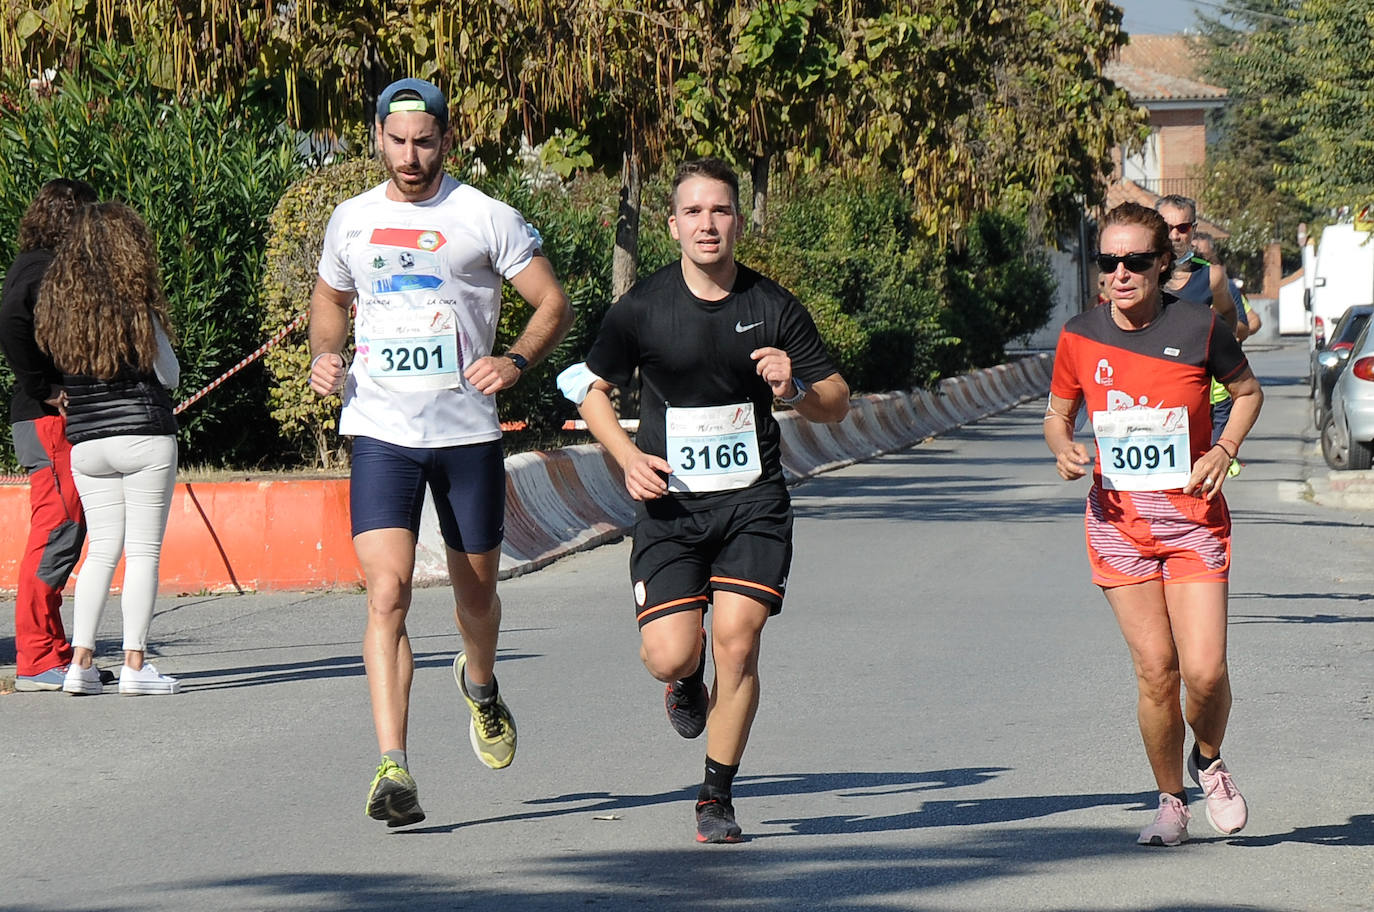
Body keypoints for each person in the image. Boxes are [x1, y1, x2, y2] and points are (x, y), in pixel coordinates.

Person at [559, 158, 850, 844]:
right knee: (668, 653)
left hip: (753, 503)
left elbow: (838, 402)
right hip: (671, 507)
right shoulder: (643, 308)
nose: (707, 224)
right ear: (673, 226)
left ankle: (715, 797)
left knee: (739, 642)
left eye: (720, 210)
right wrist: (626, 457)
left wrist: (795, 390)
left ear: (738, 222)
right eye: (693, 212)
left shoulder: (771, 306)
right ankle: (684, 680)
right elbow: (589, 390)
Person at [308, 77, 572, 828]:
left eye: (425, 142)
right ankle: (393, 765)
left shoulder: (484, 216)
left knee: (475, 597)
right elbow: (330, 298)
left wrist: (515, 361)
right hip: (382, 432)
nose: (411, 156)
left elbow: (551, 302)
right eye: (398, 141)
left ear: (447, 140)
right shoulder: (351, 220)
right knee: (386, 593)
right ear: (378, 141)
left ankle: (480, 686)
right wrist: (327, 356)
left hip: (465, 436)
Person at [1043, 202, 1263, 847]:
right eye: (1108, 262)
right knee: (1156, 672)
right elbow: (1058, 414)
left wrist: (1224, 450)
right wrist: (1062, 445)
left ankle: (1209, 758)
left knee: (1204, 671)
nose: (1120, 273)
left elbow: (1247, 393)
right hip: (1119, 524)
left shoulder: (1201, 326)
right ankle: (1171, 803)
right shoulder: (1080, 334)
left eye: (1135, 261)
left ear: (1162, 263)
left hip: (1193, 519)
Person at [32, 202, 182, 696]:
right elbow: (170, 375)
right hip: (143, 436)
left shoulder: (61, 309)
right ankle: (136, 665)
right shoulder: (136, 305)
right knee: (142, 552)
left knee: (99, 552)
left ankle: (80, 663)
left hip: (87, 444)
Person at [0, 178, 97, 691]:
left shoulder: (36, 265)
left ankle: (56, 650)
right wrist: (46, 388)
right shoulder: (40, 269)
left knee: (67, 531)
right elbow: (11, 323)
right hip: (46, 420)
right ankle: (37, 659)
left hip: (47, 418)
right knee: (55, 534)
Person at [1154, 195, 1237, 332]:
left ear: (1194, 229)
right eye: (1167, 227)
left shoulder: (1211, 276)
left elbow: (1228, 312)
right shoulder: (1140, 270)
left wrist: (1224, 350)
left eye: (1183, 228)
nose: (1174, 236)